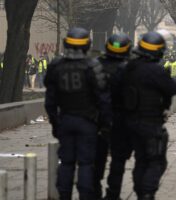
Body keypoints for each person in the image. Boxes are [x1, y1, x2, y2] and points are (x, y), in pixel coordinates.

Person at [44, 27, 112, 200]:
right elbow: (103, 100)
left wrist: (55, 123)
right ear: (87, 45)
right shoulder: (93, 66)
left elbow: (50, 101)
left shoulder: (56, 66)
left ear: (66, 43)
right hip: (88, 122)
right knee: (86, 163)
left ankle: (64, 195)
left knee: (66, 163)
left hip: (65, 120)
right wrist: (104, 125)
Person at [112, 32, 176, 200]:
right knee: (155, 161)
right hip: (151, 124)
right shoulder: (156, 71)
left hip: (129, 124)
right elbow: (172, 89)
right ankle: (146, 193)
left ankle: (140, 191)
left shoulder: (127, 68)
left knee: (141, 160)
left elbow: (115, 91)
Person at [94, 33, 132, 200]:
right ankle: (112, 194)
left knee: (96, 159)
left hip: (97, 120)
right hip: (121, 121)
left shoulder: (95, 67)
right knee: (118, 160)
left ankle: (94, 191)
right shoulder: (129, 70)